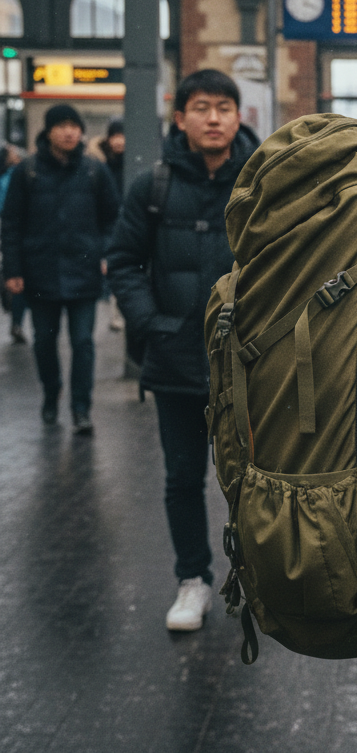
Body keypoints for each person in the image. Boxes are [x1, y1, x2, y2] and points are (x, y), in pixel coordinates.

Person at [107, 70, 258, 632]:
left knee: (253, 479)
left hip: (248, 362)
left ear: (238, 117)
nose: (213, 118)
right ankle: (192, 580)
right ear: (180, 118)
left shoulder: (260, 184)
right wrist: (150, 324)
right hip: (175, 359)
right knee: (182, 477)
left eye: (224, 107)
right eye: (201, 107)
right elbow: (122, 261)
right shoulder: (155, 187)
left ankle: (258, 577)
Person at [1, 105, 120, 432]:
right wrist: (12, 270)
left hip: (83, 272)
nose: (69, 132)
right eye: (62, 126)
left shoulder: (94, 171)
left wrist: (106, 253)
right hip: (41, 271)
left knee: (83, 343)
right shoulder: (28, 171)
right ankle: (51, 393)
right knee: (44, 342)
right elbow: (11, 224)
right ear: (49, 131)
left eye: (74, 126)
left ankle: (81, 408)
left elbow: (112, 217)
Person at [88, 119, 127, 330]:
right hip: (108, 224)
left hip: (127, 222)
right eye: (115, 136)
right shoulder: (100, 166)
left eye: (122, 135)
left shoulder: (133, 163)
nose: (119, 141)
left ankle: (118, 310)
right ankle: (115, 312)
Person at [0, 143, 28, 343]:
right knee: (17, 276)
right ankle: (16, 321)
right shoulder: (14, 176)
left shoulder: (12, 175)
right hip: (13, 228)